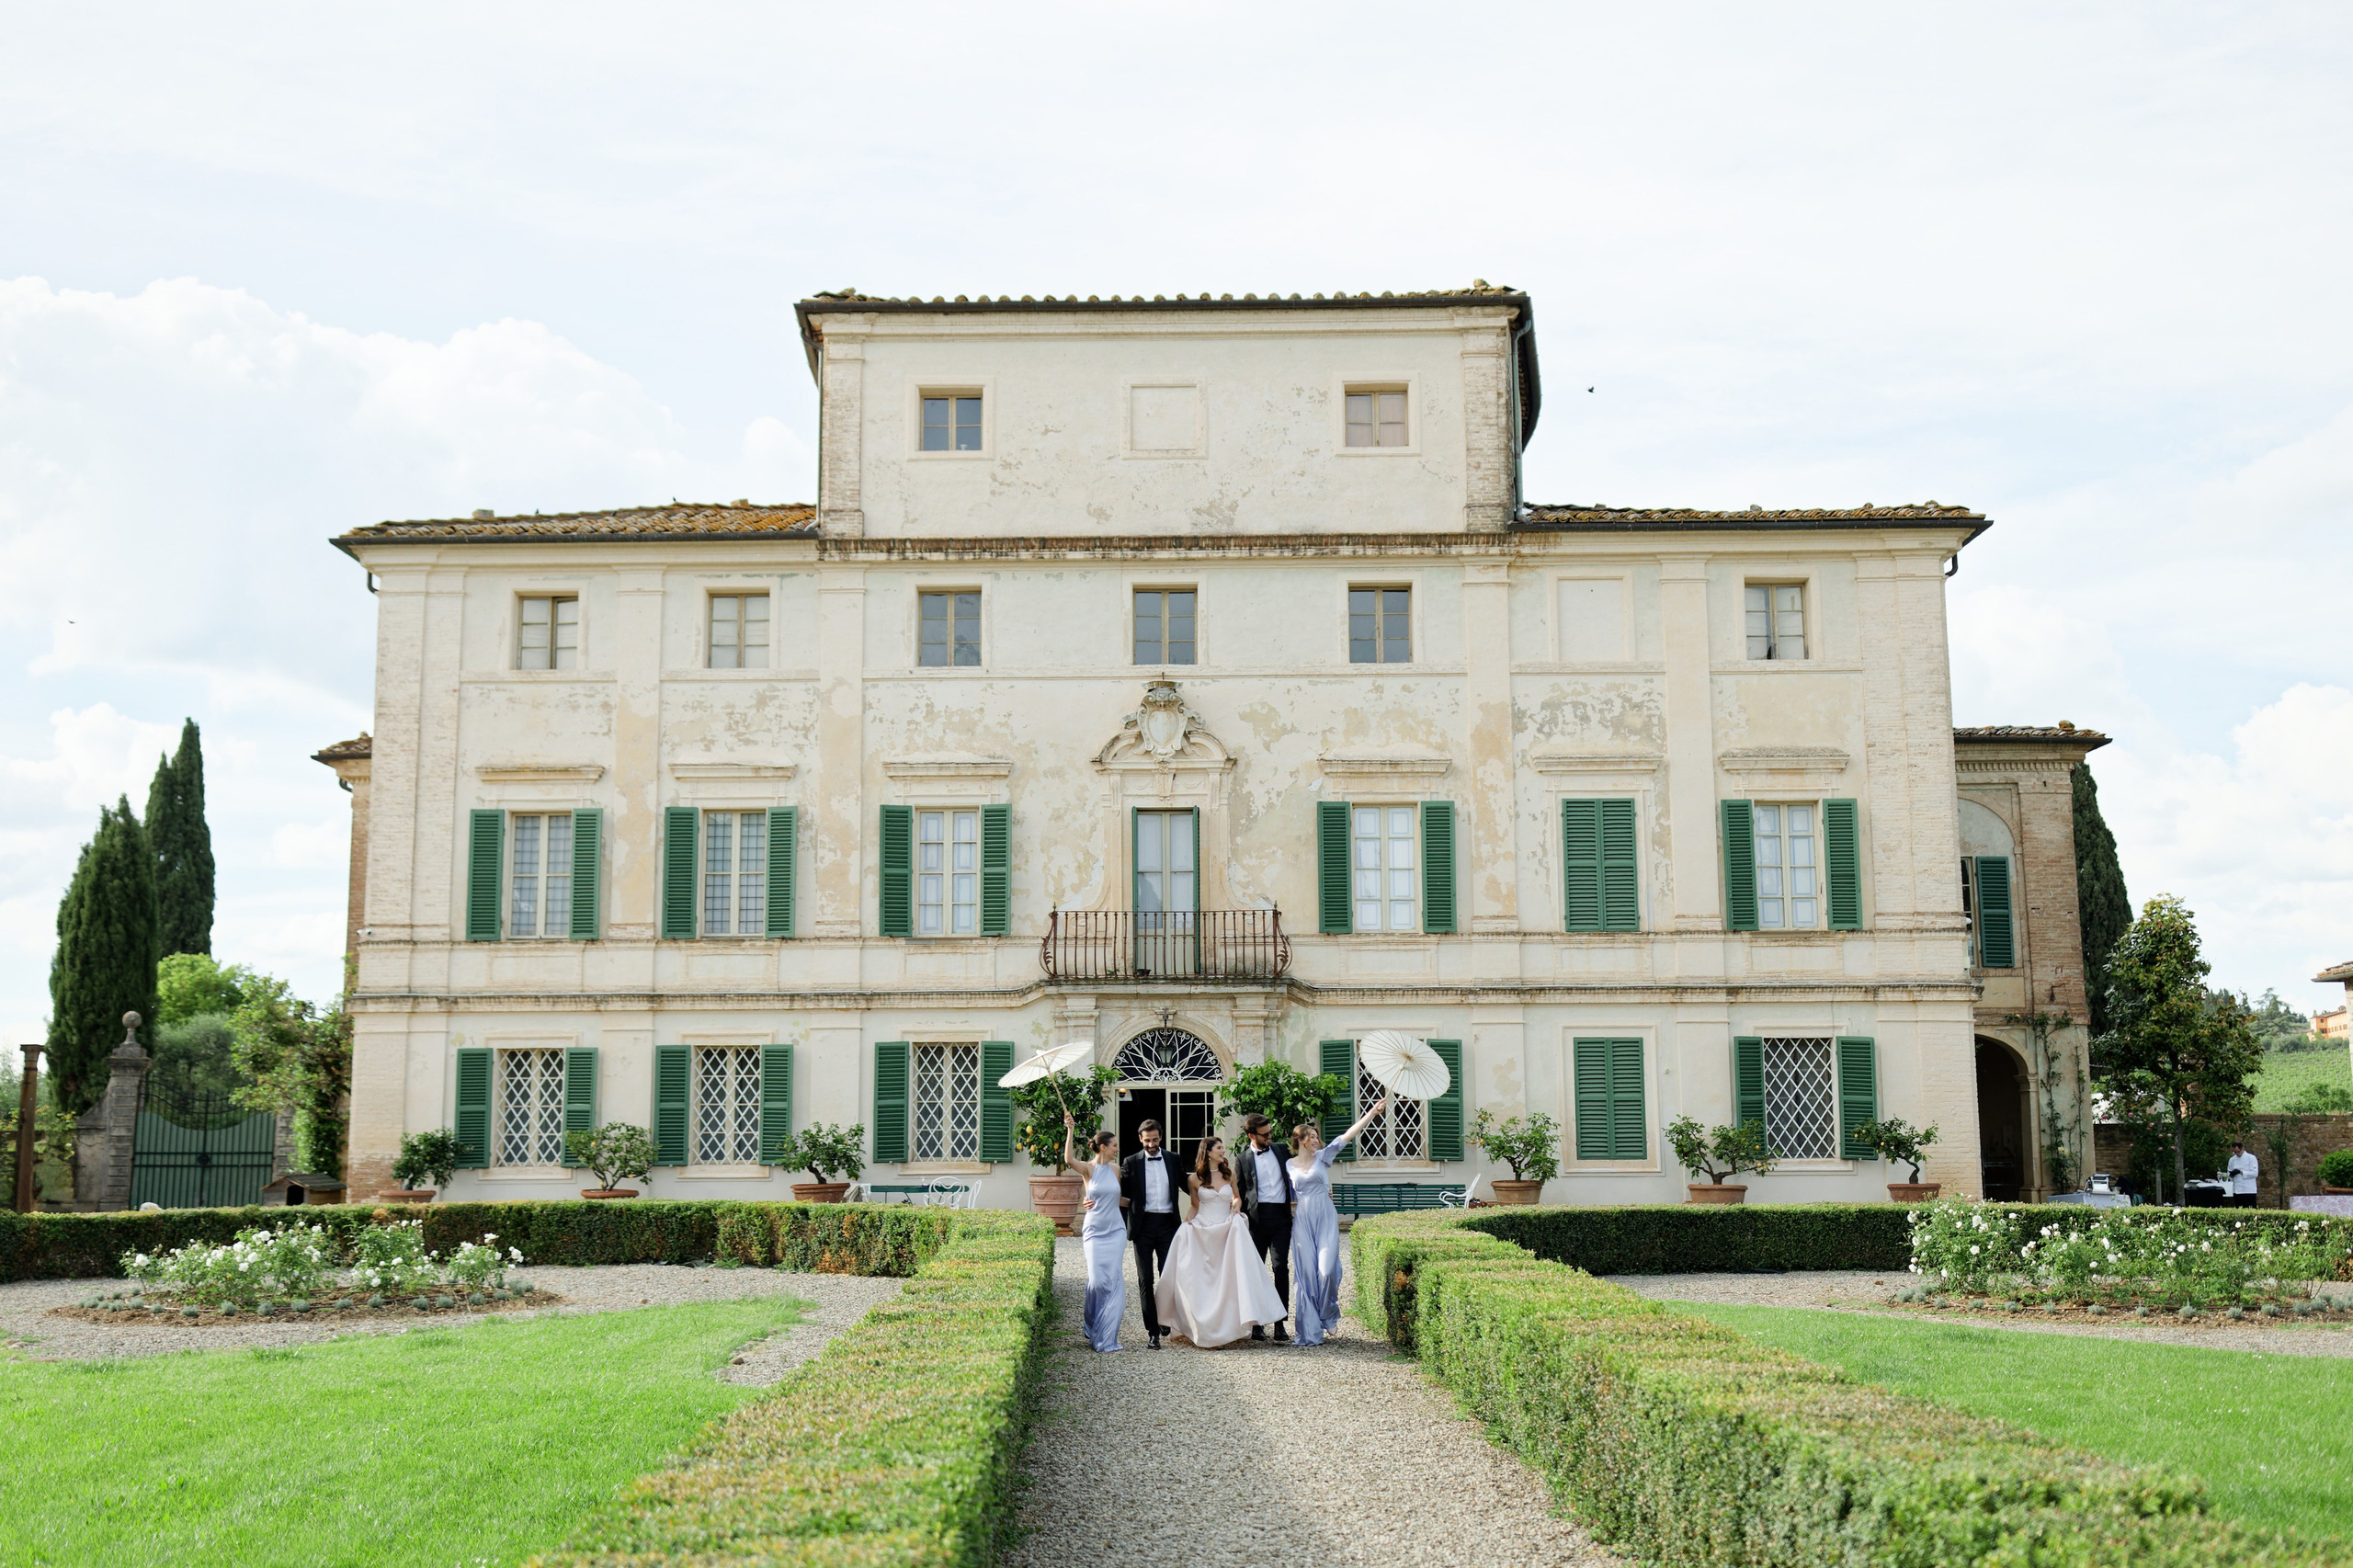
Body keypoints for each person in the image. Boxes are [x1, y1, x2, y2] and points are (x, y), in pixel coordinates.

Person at [1152, 1134, 1286, 1347]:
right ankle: (1203, 1326)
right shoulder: (1194, 1179)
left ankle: (1232, 1325)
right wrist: (1188, 1219)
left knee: (1230, 1276)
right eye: (1220, 1148)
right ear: (1208, 1152)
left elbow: (1236, 1196)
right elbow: (1195, 1205)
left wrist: (1236, 1205)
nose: (1223, 1151)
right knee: (1205, 1278)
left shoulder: (1229, 1173)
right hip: (1204, 1227)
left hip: (1227, 1227)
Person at [1287, 1095, 1390, 1347]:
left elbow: (1348, 1135)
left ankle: (1328, 1312)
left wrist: (1373, 1113)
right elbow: (1285, 1196)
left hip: (1325, 1216)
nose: (1315, 1140)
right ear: (1299, 1140)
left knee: (1327, 1270)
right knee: (1307, 1275)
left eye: (1316, 1137)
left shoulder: (1323, 1157)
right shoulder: (1288, 1164)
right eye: (1310, 1137)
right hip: (1302, 1219)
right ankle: (1310, 1330)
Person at [1120, 1118, 1188, 1348]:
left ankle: (1166, 1319)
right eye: (1147, 1140)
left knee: (1168, 1277)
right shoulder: (1130, 1162)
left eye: (1155, 1140)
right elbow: (1120, 1195)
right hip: (1143, 1226)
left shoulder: (1173, 1159)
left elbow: (1191, 1186)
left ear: (1161, 1137)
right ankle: (1152, 1332)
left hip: (1169, 1225)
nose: (1151, 1144)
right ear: (1140, 1139)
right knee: (1145, 1280)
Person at [1063, 1112, 1126, 1352]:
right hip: (1094, 1231)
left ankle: (1106, 1336)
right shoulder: (1087, 1170)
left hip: (1116, 1230)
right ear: (1103, 1147)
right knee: (1097, 1281)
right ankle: (1090, 1324)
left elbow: (1117, 1199)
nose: (1117, 1150)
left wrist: (1145, 1207)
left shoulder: (1116, 1169)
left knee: (1113, 1280)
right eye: (1114, 1146)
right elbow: (1068, 1159)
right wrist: (1070, 1129)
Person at [1233, 1111, 1296, 1342]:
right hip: (1256, 1222)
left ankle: (1280, 1323)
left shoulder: (1281, 1150)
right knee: (1256, 1272)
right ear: (1252, 1135)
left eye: (1270, 1132)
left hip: (1281, 1218)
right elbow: (1238, 1191)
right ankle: (1257, 1323)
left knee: (1281, 1269)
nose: (1270, 1136)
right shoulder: (1243, 1159)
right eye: (1265, 1134)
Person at [2225, 1141, 2259, 1209]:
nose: (2236, 1154)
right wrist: (2232, 1174)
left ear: (2241, 1149)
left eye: (2237, 1152)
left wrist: (2241, 1172)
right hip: (2237, 1190)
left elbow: (2255, 1173)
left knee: (2250, 1209)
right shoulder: (2232, 1160)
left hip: (2248, 1190)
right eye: (2234, 1152)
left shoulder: (2251, 1158)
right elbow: (2229, 1173)